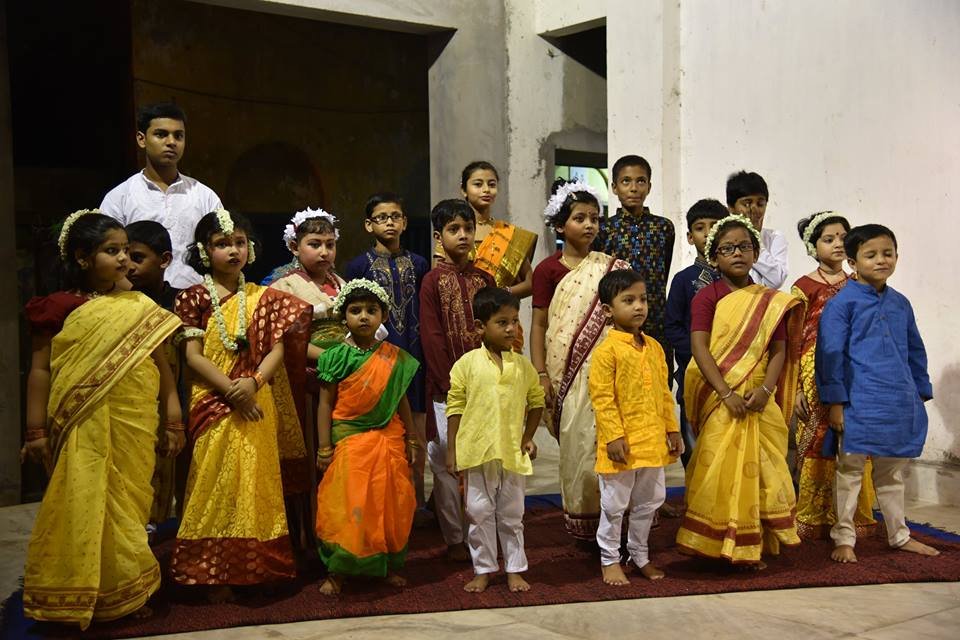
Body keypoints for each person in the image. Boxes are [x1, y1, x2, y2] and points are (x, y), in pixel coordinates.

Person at [21, 211, 182, 629]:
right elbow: (40, 370)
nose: (124, 259)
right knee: (83, 504)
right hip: (80, 424)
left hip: (134, 422)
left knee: (128, 506)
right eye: (112, 251)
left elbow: (161, 364)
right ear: (82, 257)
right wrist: (35, 430)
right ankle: (76, 591)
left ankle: (125, 591)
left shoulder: (138, 306)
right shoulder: (57, 308)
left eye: (126, 250)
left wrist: (173, 415)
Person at [169, 209, 312, 603]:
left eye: (239, 243)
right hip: (212, 400)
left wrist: (253, 382)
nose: (233, 251)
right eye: (221, 244)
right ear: (204, 251)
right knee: (212, 482)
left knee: (256, 482)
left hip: (257, 397)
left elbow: (278, 348)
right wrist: (232, 390)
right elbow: (193, 356)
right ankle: (210, 572)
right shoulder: (193, 297)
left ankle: (257, 569)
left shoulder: (263, 298)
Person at [676, 214, 802, 567]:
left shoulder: (770, 300)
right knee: (718, 468)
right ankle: (712, 542)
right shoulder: (707, 297)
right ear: (714, 257)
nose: (737, 254)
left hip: (758, 397)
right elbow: (699, 347)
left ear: (755, 253)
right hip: (721, 396)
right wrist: (725, 393)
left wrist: (766, 390)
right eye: (727, 248)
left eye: (744, 247)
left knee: (764, 471)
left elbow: (779, 350)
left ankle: (753, 544)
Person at [817, 224, 939, 562]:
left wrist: (920, 391)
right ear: (853, 262)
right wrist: (836, 402)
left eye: (888, 253)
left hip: (897, 401)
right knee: (850, 471)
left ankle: (899, 535)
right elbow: (830, 354)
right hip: (858, 402)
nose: (881, 260)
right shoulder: (841, 304)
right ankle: (844, 537)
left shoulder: (901, 303)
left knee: (891, 474)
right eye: (871, 255)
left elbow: (915, 350)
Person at [531, 178, 629, 541]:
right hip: (566, 374)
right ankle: (585, 518)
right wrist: (541, 372)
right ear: (560, 226)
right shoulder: (548, 270)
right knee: (577, 446)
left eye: (594, 218)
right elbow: (540, 324)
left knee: (610, 440)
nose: (589, 225)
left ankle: (616, 520)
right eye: (580, 218)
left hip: (607, 369)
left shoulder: (610, 267)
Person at [314, 279, 420, 595]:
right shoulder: (334, 356)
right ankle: (338, 569)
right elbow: (325, 404)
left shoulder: (394, 357)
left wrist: (412, 438)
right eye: (356, 310)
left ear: (384, 315)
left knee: (389, 501)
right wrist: (323, 447)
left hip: (389, 436)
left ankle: (384, 565)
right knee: (347, 502)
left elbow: (401, 400)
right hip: (350, 438)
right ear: (343, 316)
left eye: (371, 310)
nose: (363, 317)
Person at [445, 287, 545, 593]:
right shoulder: (466, 364)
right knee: (478, 512)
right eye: (502, 322)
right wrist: (452, 451)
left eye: (514, 321)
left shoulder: (523, 366)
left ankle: (515, 569)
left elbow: (536, 402)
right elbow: (455, 408)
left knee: (512, 514)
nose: (511, 328)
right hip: (477, 452)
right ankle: (484, 569)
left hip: (512, 451)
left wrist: (528, 437)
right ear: (480, 327)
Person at [590, 269, 683, 585]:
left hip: (652, 441)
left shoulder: (654, 347)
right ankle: (609, 559)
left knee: (650, 501)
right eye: (628, 300)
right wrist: (614, 436)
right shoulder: (606, 352)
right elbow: (602, 399)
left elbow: (664, 394)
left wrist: (672, 430)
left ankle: (640, 555)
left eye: (642, 299)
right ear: (608, 310)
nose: (639, 306)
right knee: (614, 505)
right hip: (621, 443)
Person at [791, 212, 877, 540]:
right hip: (813, 374)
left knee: (854, 438)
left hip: (854, 370)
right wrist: (796, 388)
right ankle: (814, 514)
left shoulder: (859, 282)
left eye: (843, 236)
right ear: (813, 247)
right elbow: (794, 339)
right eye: (829, 239)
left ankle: (854, 514)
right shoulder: (802, 287)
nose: (838, 243)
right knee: (816, 440)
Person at [344, 193, 430, 517]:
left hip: (415, 354)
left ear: (405, 222)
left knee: (416, 428)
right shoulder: (358, 266)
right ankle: (384, 502)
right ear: (369, 225)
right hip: (377, 357)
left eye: (395, 216)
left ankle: (417, 499)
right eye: (382, 218)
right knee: (384, 429)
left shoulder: (419, 264)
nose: (390, 223)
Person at [420, 199, 496, 560]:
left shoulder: (485, 280)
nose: (463, 235)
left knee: (483, 461)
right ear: (439, 237)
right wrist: (449, 385)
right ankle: (454, 539)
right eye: (454, 229)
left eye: (468, 228)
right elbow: (431, 336)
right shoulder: (432, 282)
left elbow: (498, 330)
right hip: (445, 389)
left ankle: (483, 534)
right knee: (445, 464)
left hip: (486, 387)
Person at [100, 102, 222, 289]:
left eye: (178, 136)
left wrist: (206, 295)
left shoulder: (204, 196)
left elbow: (222, 248)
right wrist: (135, 297)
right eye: (161, 134)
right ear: (141, 139)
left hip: (197, 298)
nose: (171, 142)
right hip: (135, 299)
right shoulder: (119, 197)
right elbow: (107, 256)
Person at [125, 220, 183, 527]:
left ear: (164, 260)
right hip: (132, 401)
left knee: (169, 464)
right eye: (124, 256)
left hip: (173, 393)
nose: (128, 266)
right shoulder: (118, 301)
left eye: (137, 257)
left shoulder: (181, 302)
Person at [594, 155, 676, 373]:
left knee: (659, 374)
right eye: (626, 181)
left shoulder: (663, 227)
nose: (633, 188)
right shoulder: (605, 230)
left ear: (649, 186)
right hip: (619, 320)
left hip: (657, 316)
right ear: (614, 187)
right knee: (622, 375)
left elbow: (664, 268)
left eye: (641, 181)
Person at [664, 199, 723, 466]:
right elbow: (672, 327)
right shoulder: (683, 280)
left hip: (733, 371)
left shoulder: (739, 279)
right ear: (690, 237)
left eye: (715, 226)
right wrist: (701, 353)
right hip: (694, 372)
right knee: (695, 447)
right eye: (700, 228)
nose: (708, 233)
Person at [268, 207, 346, 361]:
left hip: (345, 361)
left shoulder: (341, 283)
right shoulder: (283, 287)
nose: (324, 252)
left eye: (330, 245)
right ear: (294, 247)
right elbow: (283, 340)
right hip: (304, 367)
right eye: (315, 245)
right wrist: (328, 358)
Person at [725, 170, 788, 289]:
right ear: (731, 207)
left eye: (760, 204)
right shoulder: (723, 239)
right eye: (747, 204)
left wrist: (754, 237)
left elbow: (777, 280)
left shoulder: (774, 237)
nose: (754, 209)